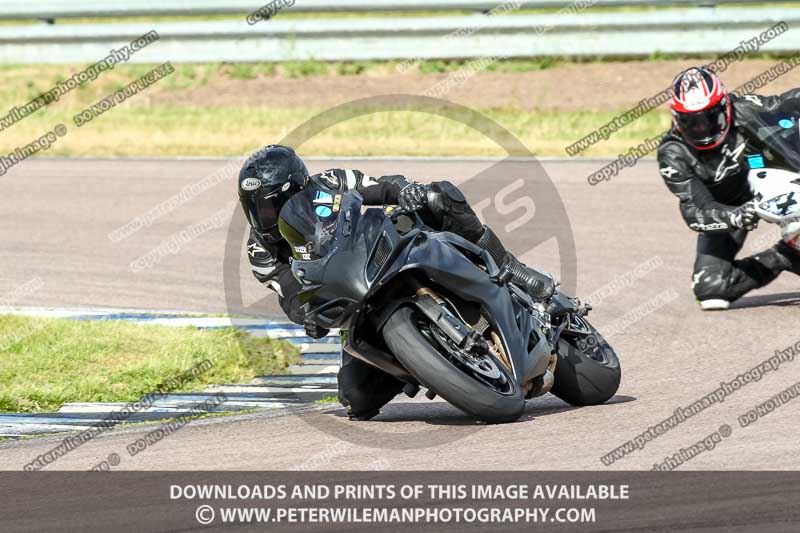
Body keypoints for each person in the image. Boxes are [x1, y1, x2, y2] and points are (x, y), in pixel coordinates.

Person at [238, 144, 554, 419]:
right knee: (356, 399)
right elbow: (291, 295)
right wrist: (307, 316)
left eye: (268, 205)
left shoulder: (331, 182)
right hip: (353, 299)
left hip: (382, 249)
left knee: (438, 195)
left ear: (296, 189)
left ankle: (508, 265)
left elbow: (383, 187)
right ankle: (430, 364)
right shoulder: (260, 250)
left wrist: (406, 190)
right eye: (253, 207)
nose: (262, 215)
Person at [657, 66, 800, 310]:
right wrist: (736, 215)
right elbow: (695, 211)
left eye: (709, 118)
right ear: (676, 118)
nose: (702, 128)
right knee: (711, 290)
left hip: (775, 180)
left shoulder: (747, 108)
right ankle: (786, 255)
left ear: (725, 107)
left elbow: (789, 101)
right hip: (729, 206)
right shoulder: (673, 153)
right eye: (691, 122)